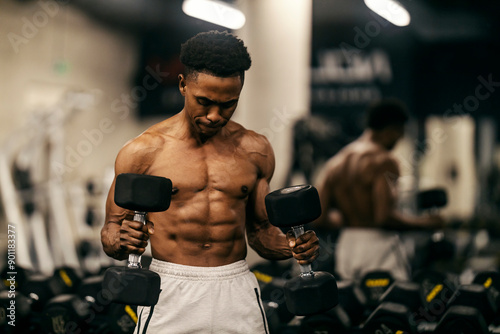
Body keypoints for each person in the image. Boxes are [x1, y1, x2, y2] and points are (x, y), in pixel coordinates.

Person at [101, 30, 320, 334]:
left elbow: (258, 231)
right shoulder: (143, 152)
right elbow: (111, 231)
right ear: (182, 85)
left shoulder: (255, 151)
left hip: (236, 286)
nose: (215, 116)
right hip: (170, 287)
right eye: (203, 101)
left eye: (228, 104)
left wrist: (292, 245)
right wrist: (121, 240)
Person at [313, 98, 444, 281]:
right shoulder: (384, 161)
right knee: (392, 306)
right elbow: (383, 217)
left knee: (353, 304)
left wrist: (351, 219)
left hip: (347, 246)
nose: (399, 140)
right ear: (392, 130)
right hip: (377, 248)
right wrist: (425, 223)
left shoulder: (336, 163)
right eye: (400, 133)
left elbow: (318, 218)